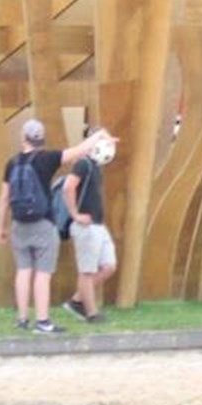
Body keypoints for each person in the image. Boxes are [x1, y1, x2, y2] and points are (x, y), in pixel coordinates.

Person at [0, 119, 117, 334]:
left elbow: (4, 198)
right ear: (41, 137)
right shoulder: (48, 158)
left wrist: (0, 227)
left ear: (23, 138)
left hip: (18, 223)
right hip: (43, 223)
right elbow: (81, 149)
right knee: (43, 273)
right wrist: (101, 136)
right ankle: (42, 321)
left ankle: (22, 319)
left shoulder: (11, 163)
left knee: (23, 271)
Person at [59, 127, 116, 324]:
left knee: (108, 266)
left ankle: (77, 300)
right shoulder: (82, 163)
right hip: (86, 226)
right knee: (87, 270)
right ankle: (91, 313)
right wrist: (75, 214)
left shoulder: (94, 166)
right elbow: (68, 187)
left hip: (98, 224)